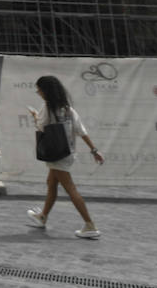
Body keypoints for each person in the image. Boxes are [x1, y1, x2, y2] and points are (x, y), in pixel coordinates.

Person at [26, 75, 104, 239]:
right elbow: (81, 131)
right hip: (67, 152)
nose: (38, 92)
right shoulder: (68, 109)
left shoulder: (47, 108)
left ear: (45, 91)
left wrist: (34, 116)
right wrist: (94, 150)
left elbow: (41, 126)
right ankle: (42, 216)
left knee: (70, 189)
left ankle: (90, 225)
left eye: (39, 89)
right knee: (51, 183)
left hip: (55, 154)